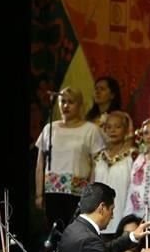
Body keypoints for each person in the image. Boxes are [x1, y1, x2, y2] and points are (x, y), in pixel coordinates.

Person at [34, 87, 107, 228]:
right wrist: (39, 194)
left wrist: (92, 194)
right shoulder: (50, 128)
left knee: (75, 232)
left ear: (80, 105)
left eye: (71, 102)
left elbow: (96, 165)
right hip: (53, 192)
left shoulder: (90, 130)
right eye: (63, 101)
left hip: (79, 193)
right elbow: (40, 163)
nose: (66, 106)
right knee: (55, 234)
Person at [92, 110, 136, 234]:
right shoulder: (99, 157)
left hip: (123, 212)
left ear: (126, 130)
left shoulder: (133, 156)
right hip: (99, 215)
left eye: (118, 127)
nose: (113, 130)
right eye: (109, 127)